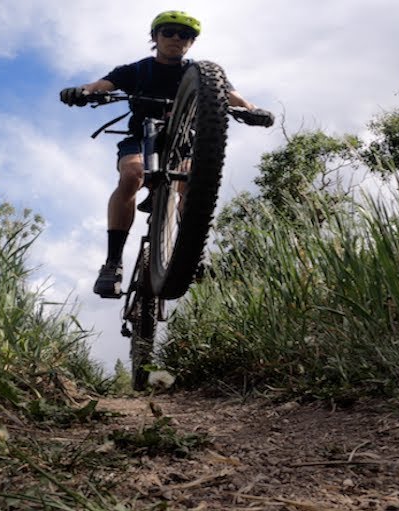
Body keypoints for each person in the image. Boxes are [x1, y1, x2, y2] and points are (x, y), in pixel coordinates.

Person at [59, 10, 273, 298]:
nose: (176, 38)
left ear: (191, 42)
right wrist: (81, 92)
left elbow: (231, 96)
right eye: (168, 32)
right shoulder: (136, 70)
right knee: (132, 175)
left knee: (190, 182)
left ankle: (192, 251)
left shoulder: (197, 73)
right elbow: (101, 85)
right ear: (155, 37)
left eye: (184, 35)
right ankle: (112, 263)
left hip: (182, 142)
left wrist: (252, 110)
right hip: (140, 139)